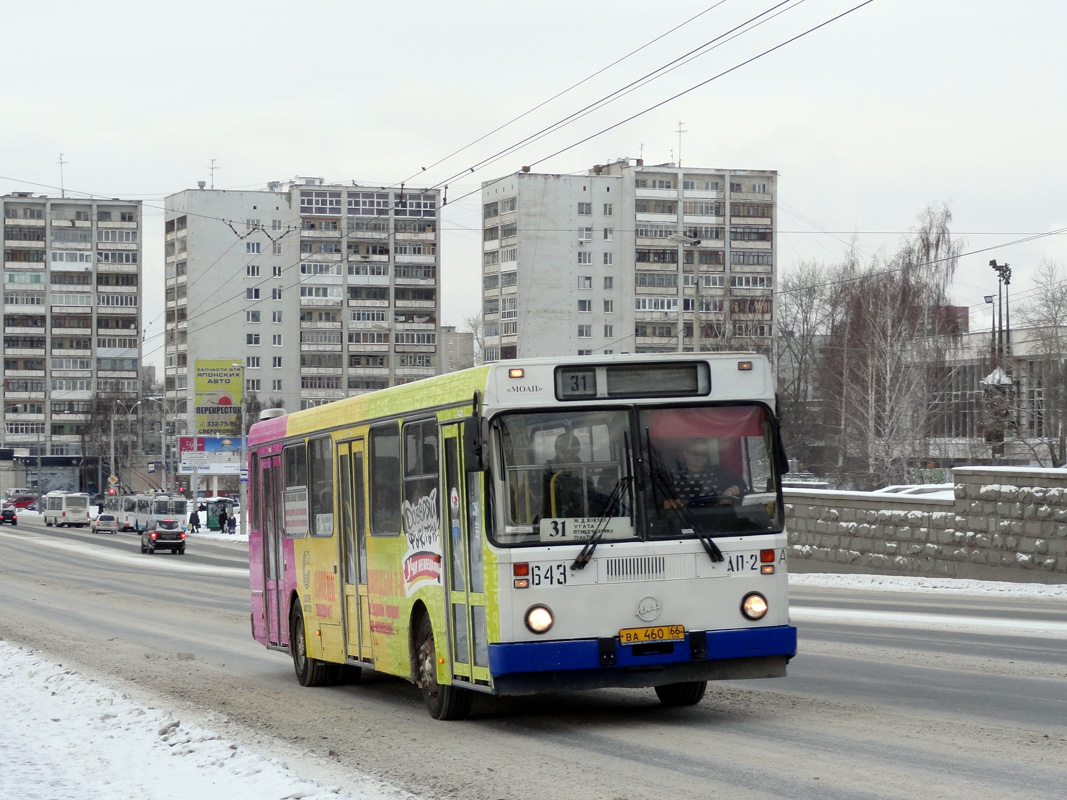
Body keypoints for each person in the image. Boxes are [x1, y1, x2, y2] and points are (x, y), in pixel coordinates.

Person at [662, 441, 746, 510]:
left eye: (704, 454)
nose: (700, 457)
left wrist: (729, 491)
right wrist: (670, 502)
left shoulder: (718, 472)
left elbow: (741, 484)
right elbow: (659, 500)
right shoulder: (673, 476)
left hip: (717, 519)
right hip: (684, 521)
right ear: (685, 454)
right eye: (695, 453)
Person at [543, 433, 587, 518]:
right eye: (563, 451)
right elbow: (544, 497)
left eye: (572, 450)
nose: (568, 454)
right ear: (557, 451)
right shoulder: (548, 469)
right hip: (553, 516)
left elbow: (590, 491)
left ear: (578, 450)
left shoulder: (583, 468)